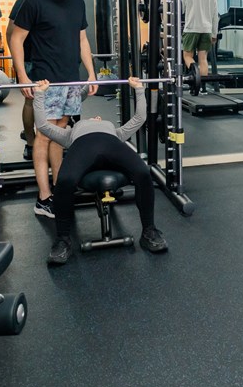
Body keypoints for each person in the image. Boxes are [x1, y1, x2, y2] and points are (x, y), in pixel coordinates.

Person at [33, 77, 167, 265]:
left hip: (111, 144)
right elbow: (43, 125)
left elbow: (140, 118)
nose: (95, 117)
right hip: (82, 146)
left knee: (143, 173)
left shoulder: (116, 131)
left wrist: (138, 89)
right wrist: (40, 94)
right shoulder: (70, 134)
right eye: (91, 118)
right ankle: (63, 240)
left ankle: (149, 231)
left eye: (98, 118)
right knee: (65, 180)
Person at [9, 0, 98, 218]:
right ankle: (43, 197)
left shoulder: (78, 2)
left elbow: (82, 39)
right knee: (44, 135)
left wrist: (90, 73)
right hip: (45, 81)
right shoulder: (34, 2)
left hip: (70, 78)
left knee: (61, 133)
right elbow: (16, 38)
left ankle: (60, 187)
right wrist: (23, 76)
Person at [6, 0, 52, 161]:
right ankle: (39, 141)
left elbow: (9, 32)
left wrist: (18, 60)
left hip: (34, 58)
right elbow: (11, 32)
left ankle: (33, 141)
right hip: (40, 58)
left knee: (31, 101)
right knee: (42, 100)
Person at [181, 0, 219, 82]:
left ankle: (195, 75)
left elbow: (181, 9)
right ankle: (202, 88)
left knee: (187, 56)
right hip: (206, 29)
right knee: (203, 59)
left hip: (191, 29)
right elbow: (215, 15)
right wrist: (214, 33)